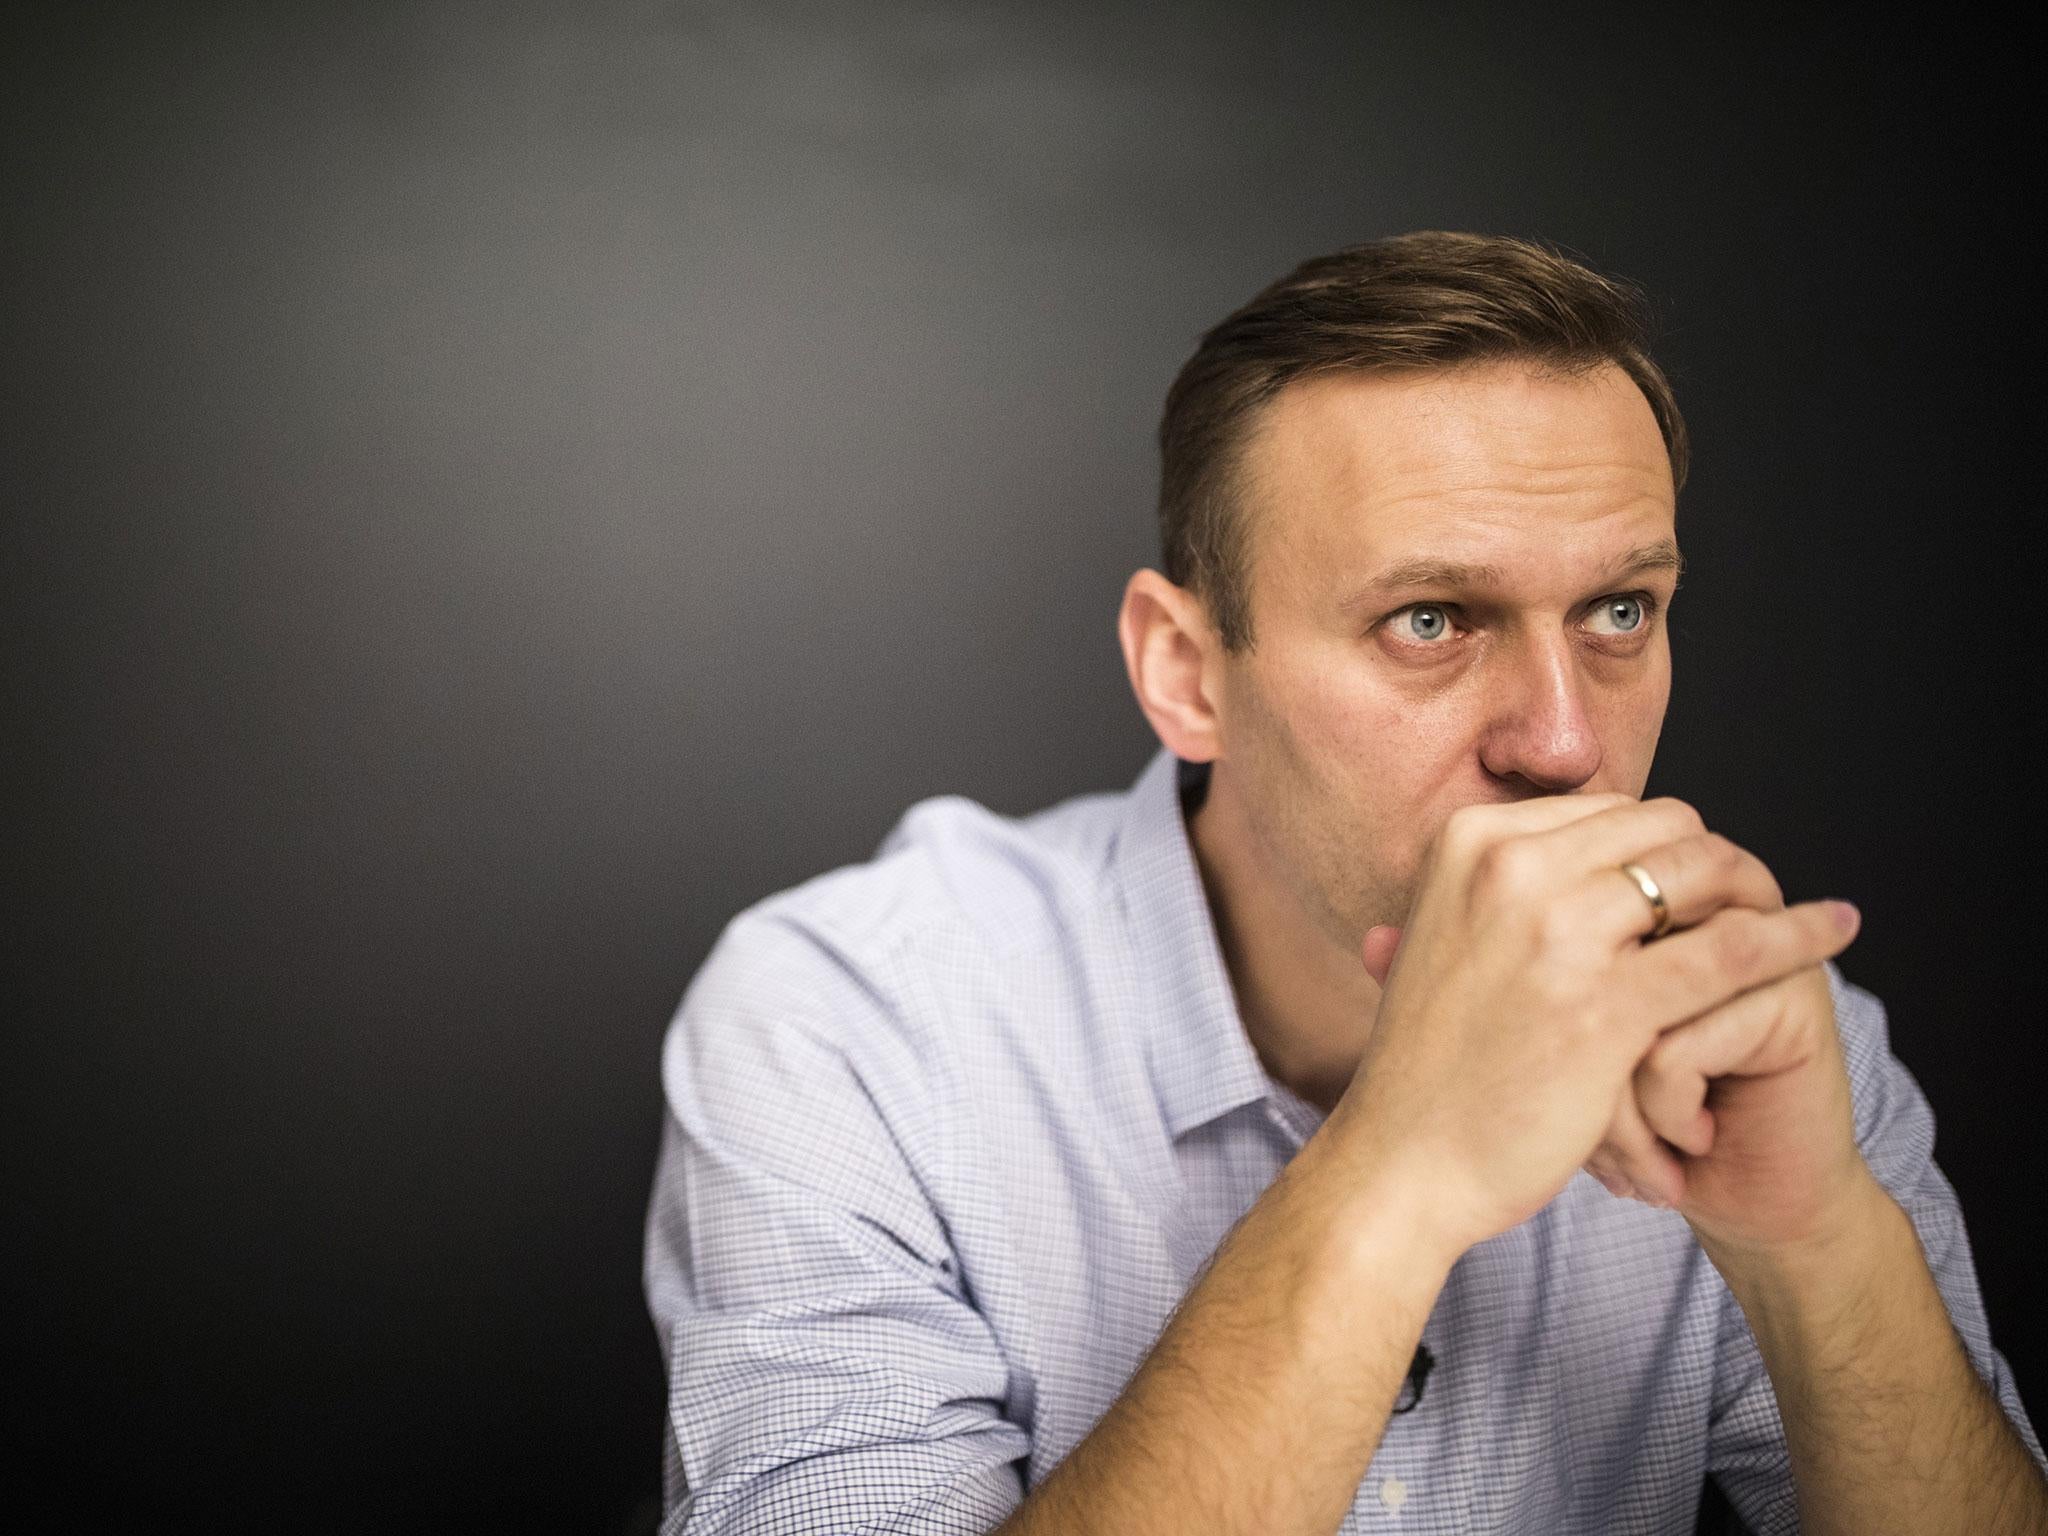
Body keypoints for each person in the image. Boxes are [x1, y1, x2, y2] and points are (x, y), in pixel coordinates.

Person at [640, 231, 2048, 1535]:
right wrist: (1398, 1169)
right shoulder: (847, 1023)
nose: (1564, 742)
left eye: (1621, 611)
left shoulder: (1770, 1041)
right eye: (1431, 620)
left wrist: (1820, 1249)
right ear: (1186, 674)